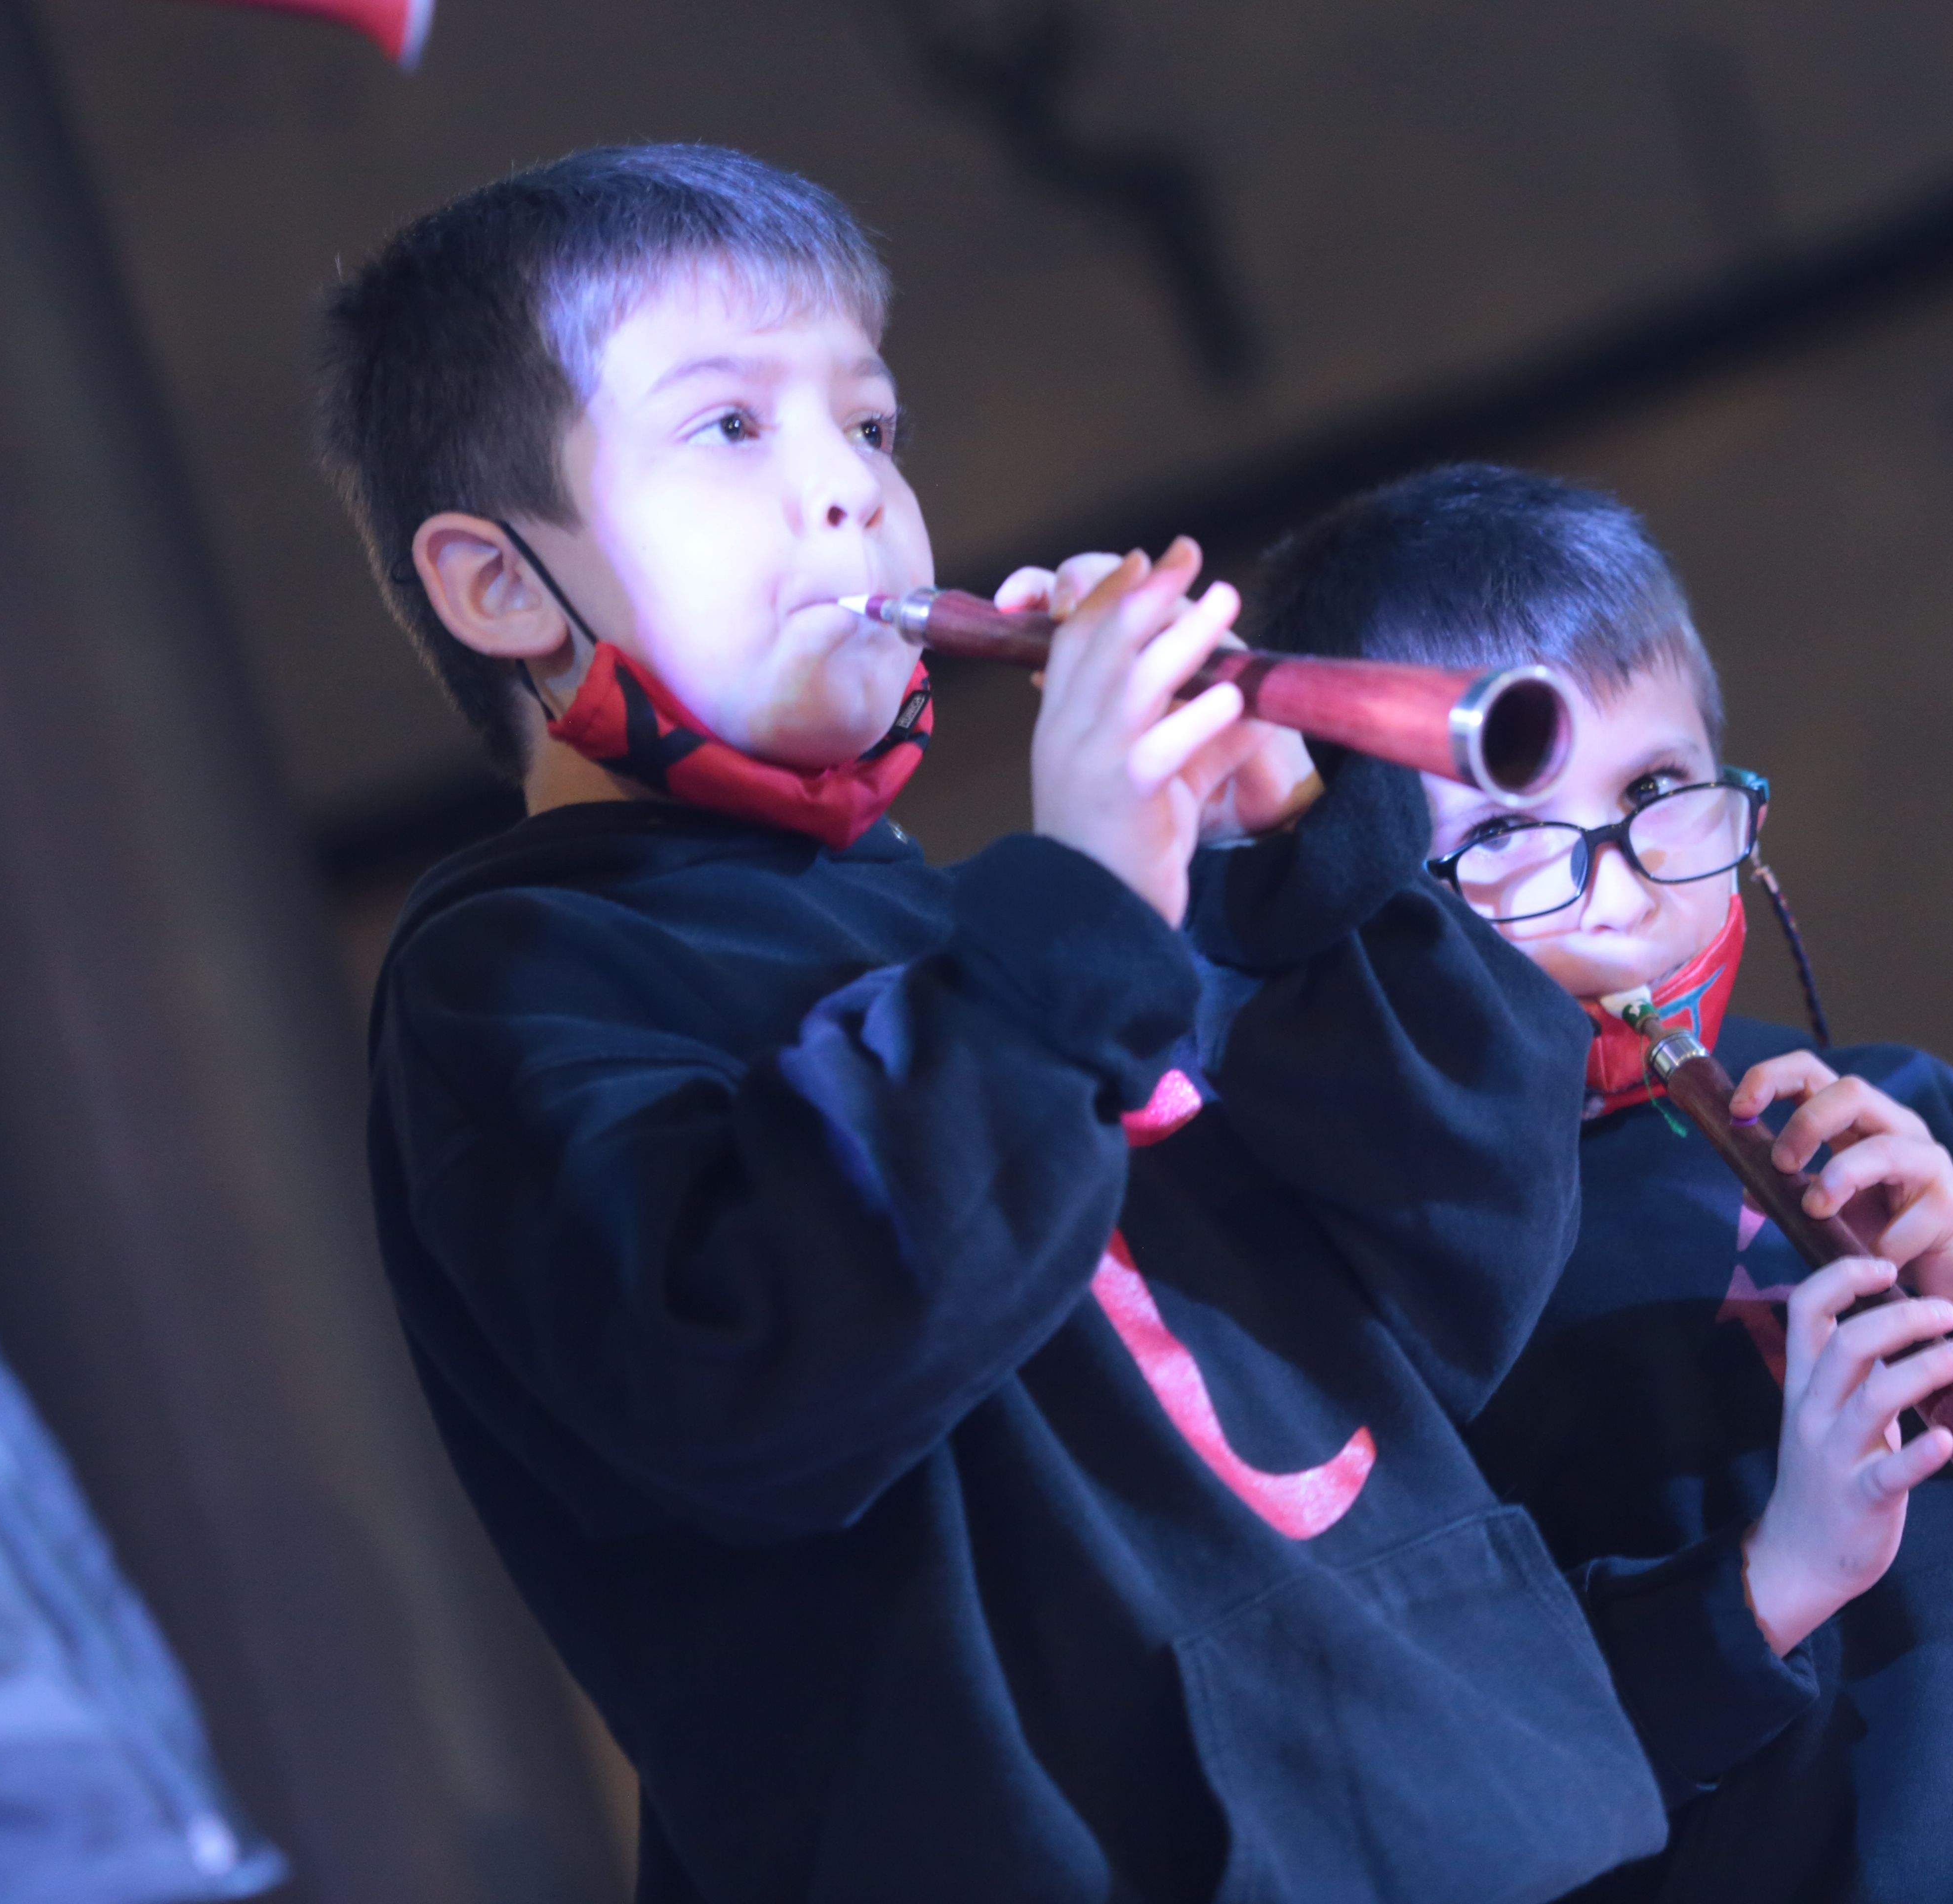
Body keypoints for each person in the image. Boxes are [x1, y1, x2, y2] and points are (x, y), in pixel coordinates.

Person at [316, 151, 1663, 1903]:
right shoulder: (517, 979)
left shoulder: (1002, 931)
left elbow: (1455, 1287)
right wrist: (1090, 897)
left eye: (869, 429)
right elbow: (771, 1375)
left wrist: (1294, 867)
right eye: (729, 431)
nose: (846, 500)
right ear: (502, 589)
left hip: (1473, 1815)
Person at [1249, 463, 1953, 1902]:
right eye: (1508, 837)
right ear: (1369, 896)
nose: (1621, 889)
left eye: (1652, 789)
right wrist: (1780, 1575)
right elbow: (1448, 1793)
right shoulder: (1389, 1276)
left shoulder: (1902, 1115)